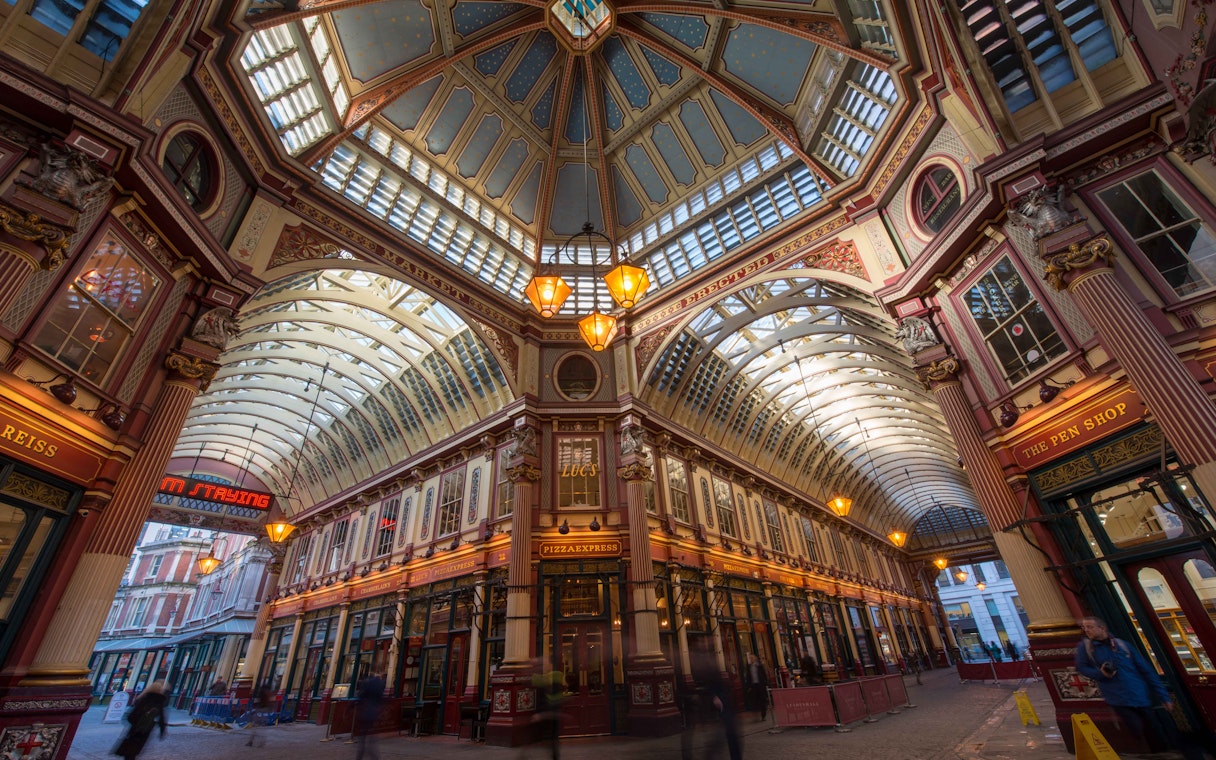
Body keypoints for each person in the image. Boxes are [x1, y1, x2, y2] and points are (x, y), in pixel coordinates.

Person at [1075, 616, 1204, 760]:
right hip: (1117, 698)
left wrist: (1164, 696)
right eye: (1084, 628)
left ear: (1102, 628)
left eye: (1090, 627)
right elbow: (1081, 667)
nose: (1086, 630)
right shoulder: (1086, 648)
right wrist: (1100, 673)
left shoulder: (1122, 645)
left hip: (1139, 695)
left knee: (1157, 731)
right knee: (1138, 730)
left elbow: (1146, 670)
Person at [690, 649, 741, 760]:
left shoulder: (710, 668)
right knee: (727, 733)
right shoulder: (709, 668)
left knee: (728, 733)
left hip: (724, 703)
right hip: (720, 704)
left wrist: (717, 697)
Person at [113, 681, 167, 760]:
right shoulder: (160, 701)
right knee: (135, 750)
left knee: (130, 750)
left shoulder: (144, 698)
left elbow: (131, 715)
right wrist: (161, 730)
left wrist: (135, 723)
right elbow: (162, 717)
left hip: (135, 728)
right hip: (146, 729)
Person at [530, 658, 568, 760]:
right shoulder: (542, 677)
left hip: (548, 713)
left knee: (550, 739)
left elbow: (549, 696)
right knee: (550, 739)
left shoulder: (545, 677)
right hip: (548, 712)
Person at [354, 672, 385, 760]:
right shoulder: (379, 687)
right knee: (371, 740)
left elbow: (360, 696)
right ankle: (373, 755)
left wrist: (351, 706)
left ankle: (361, 755)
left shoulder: (368, 685)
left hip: (365, 714)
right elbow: (381, 700)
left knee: (363, 740)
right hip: (373, 715)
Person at [246, 681, 274, 747]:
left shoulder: (263, 693)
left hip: (261, 710)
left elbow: (261, 702)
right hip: (265, 710)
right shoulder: (269, 693)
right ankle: (261, 742)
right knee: (262, 726)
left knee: (256, 726)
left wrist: (257, 708)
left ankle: (251, 741)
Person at [745, 653, 768, 720]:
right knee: (754, 700)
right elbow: (748, 677)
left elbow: (764, 675)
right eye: (750, 658)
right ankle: (757, 713)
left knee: (762, 700)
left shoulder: (759, 666)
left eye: (751, 658)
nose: (750, 659)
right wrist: (748, 686)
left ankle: (763, 715)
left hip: (760, 685)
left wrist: (765, 683)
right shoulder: (749, 667)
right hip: (754, 686)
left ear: (754, 659)